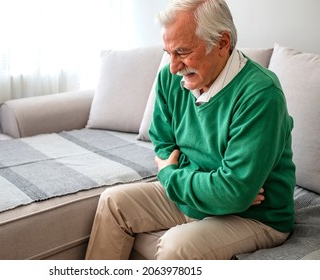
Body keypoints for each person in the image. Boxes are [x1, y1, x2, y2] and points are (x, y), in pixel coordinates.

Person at [85, 0, 295, 260]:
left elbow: (234, 192)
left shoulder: (261, 94)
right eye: (168, 52)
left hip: (256, 216)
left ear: (222, 42)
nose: (173, 66)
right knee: (113, 202)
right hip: (205, 196)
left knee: (176, 247)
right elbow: (162, 144)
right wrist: (216, 189)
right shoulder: (169, 78)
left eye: (182, 52)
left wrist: (177, 176)